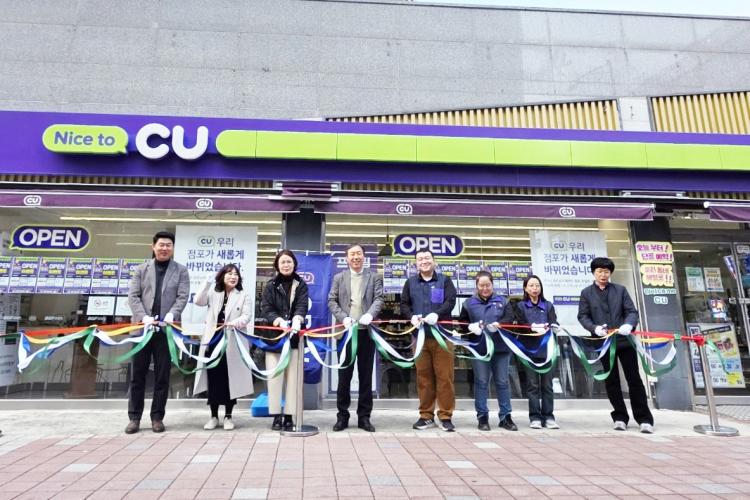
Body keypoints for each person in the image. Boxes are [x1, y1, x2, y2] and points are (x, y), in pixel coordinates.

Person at [578, 256, 654, 433]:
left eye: (606, 271)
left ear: (610, 273)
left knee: (634, 379)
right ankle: (620, 417)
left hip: (624, 342)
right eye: (599, 271)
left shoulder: (620, 290)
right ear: (593, 273)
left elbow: (631, 312)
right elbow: (583, 316)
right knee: (611, 381)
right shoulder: (586, 293)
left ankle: (644, 418)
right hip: (604, 343)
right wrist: (594, 328)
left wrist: (629, 325)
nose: (603, 275)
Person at [126, 231, 190, 434]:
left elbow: (182, 296)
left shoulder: (181, 271)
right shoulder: (141, 269)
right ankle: (134, 418)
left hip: (165, 331)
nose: (164, 248)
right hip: (142, 330)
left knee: (162, 376)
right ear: (153, 247)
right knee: (137, 376)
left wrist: (172, 314)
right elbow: (133, 296)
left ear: (173, 248)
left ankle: (157, 418)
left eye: (168, 245)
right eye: (161, 244)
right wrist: (143, 317)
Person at [328, 243, 384, 432]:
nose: (355, 257)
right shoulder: (339, 278)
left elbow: (379, 299)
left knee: (366, 376)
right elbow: (331, 300)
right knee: (344, 376)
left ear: (364, 257)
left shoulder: (374, 277)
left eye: (358, 253)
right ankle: (342, 416)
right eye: (352, 254)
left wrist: (370, 314)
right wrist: (343, 318)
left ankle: (364, 417)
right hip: (346, 333)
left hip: (366, 333)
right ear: (347, 258)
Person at [400, 248, 457, 432]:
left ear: (434, 261)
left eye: (427, 258)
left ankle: (445, 416)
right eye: (420, 259)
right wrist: (411, 317)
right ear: (416, 264)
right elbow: (404, 304)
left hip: (442, 337)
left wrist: (437, 314)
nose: (424, 261)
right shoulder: (410, 282)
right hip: (420, 337)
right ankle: (426, 416)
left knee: (445, 377)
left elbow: (451, 301)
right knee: (423, 378)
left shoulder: (444, 280)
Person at [193, 264, 254, 431]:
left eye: (236, 274)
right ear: (222, 276)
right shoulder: (213, 292)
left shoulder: (243, 295)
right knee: (213, 378)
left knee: (230, 379)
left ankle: (228, 416)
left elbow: (247, 315)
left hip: (232, 341)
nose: (233, 277)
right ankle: (213, 416)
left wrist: (235, 322)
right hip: (213, 341)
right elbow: (198, 301)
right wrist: (206, 284)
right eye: (229, 273)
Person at [459, 270, 518, 431]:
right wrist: (470, 327)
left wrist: (500, 324)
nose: (485, 288)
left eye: (488, 285)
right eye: (481, 285)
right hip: (479, 348)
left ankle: (506, 417)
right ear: (476, 286)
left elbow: (510, 319)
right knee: (481, 381)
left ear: (492, 284)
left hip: (500, 348)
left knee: (502, 382)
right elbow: (462, 324)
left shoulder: (503, 301)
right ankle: (482, 416)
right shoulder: (468, 303)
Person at [260, 249, 309, 432]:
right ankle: (275, 415)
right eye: (282, 262)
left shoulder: (301, 284)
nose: (286, 265)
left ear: (294, 264)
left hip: (295, 338)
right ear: (277, 265)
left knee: (293, 379)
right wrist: (278, 321)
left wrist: (297, 319)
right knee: (274, 377)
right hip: (274, 339)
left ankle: (289, 415)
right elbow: (266, 308)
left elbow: (302, 305)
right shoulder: (270, 285)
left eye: (289, 261)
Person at [514, 275, 560, 430]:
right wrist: (531, 327)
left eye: (537, 285)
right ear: (525, 288)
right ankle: (534, 417)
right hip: (529, 351)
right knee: (532, 385)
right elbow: (519, 325)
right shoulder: (520, 306)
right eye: (531, 285)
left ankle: (549, 416)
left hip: (547, 351)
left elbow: (553, 321)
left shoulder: (548, 305)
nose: (535, 288)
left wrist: (555, 326)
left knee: (547, 385)